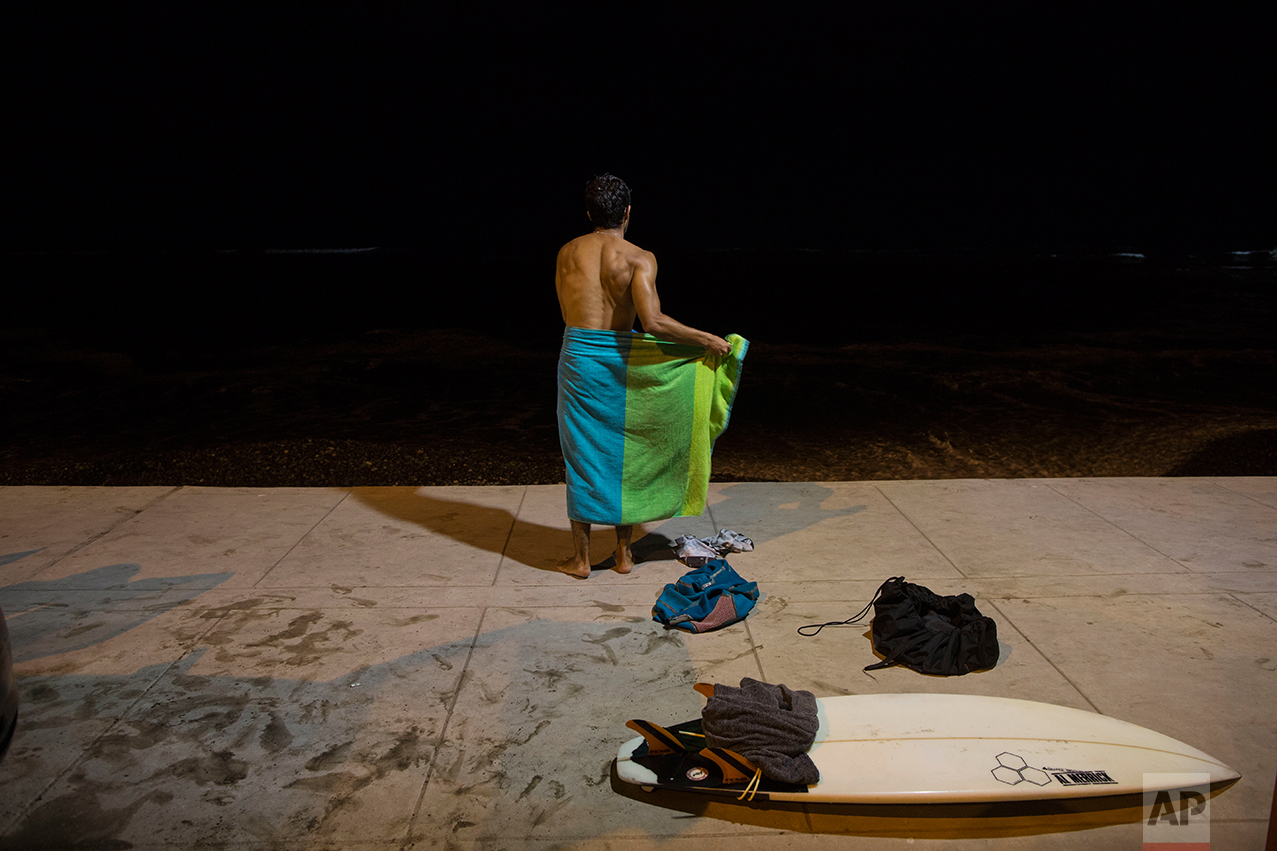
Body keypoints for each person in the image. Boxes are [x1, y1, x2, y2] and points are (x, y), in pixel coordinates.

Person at [554, 174, 732, 579]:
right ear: (628, 212)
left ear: (588, 213)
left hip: (579, 359)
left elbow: (567, 313)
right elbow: (652, 323)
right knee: (625, 452)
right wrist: (705, 340)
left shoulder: (567, 252)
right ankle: (624, 554)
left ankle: (581, 560)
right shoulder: (639, 257)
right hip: (619, 359)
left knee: (581, 457)